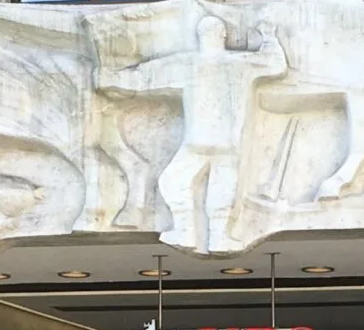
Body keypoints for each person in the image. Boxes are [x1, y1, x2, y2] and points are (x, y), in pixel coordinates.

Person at [96, 16, 287, 254]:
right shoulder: (239, 62)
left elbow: (147, 76)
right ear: (223, 36)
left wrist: (111, 77)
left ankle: (189, 231)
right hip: (227, 142)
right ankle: (215, 237)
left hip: (199, 141)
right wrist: (269, 37)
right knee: (218, 186)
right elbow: (273, 63)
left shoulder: (190, 63)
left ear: (201, 36)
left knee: (174, 180)